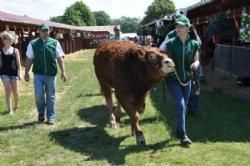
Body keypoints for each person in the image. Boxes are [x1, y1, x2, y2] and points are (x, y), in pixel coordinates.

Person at [164, 14, 200, 146]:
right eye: (177, 26)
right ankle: (184, 135)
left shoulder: (194, 44)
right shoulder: (171, 44)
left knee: (183, 107)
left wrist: (196, 64)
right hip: (173, 79)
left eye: (181, 26)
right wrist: (168, 64)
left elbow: (196, 59)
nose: (177, 28)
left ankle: (178, 131)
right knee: (180, 104)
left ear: (188, 28)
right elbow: (164, 60)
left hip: (187, 80)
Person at [24, 24, 67, 125]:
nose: (45, 32)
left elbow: (60, 58)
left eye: (47, 30)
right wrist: (26, 72)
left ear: (49, 31)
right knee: (39, 95)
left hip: (51, 74)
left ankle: (51, 116)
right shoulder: (33, 44)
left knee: (50, 96)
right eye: (43, 30)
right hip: (38, 74)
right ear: (39, 31)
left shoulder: (55, 43)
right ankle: (41, 112)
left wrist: (63, 71)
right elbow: (29, 59)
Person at [0, 31, 21, 115]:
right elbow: (0, 64)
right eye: (8, 39)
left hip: (14, 73)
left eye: (11, 39)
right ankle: (10, 110)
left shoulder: (16, 50)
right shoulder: (0, 51)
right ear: (4, 41)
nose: (10, 40)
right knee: (8, 90)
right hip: (4, 73)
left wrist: (19, 73)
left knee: (15, 91)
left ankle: (16, 105)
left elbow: (18, 63)